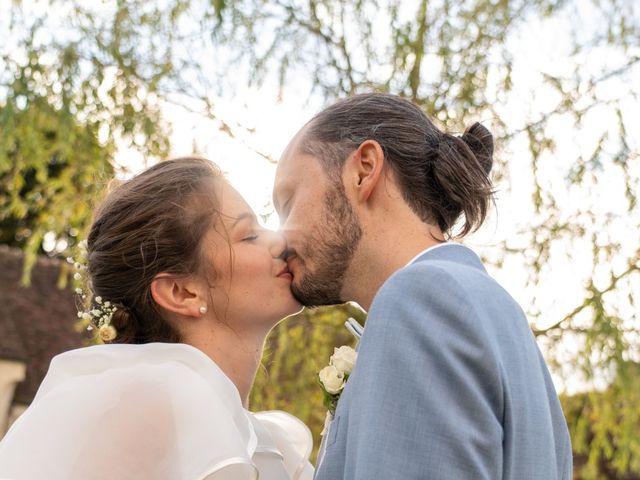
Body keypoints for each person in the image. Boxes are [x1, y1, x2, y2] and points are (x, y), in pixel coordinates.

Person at [273, 93, 573, 479]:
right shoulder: (498, 314)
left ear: (364, 170)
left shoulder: (418, 301)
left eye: (288, 202)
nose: (280, 239)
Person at [0, 157, 313, 480]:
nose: (279, 241)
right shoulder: (159, 404)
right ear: (181, 292)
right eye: (248, 235)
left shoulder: (263, 440)